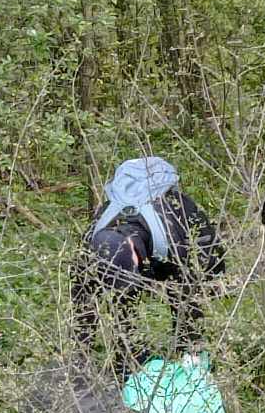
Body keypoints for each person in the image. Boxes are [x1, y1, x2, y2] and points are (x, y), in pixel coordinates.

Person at [75, 156, 225, 377]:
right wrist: (81, 354)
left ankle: (191, 354)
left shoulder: (177, 217)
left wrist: (192, 345)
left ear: (135, 257)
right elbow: (81, 303)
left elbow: (208, 258)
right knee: (123, 302)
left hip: (171, 253)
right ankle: (127, 360)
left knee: (184, 293)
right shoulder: (91, 245)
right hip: (129, 253)